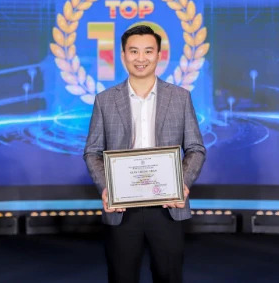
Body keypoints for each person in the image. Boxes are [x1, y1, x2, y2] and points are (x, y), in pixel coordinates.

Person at [84, 25, 206, 283]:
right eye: (134, 51)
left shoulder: (180, 97)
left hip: (167, 206)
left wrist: (182, 183)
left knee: (168, 276)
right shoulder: (105, 100)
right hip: (122, 207)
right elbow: (92, 151)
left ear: (159, 55)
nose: (141, 58)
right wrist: (106, 187)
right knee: (121, 276)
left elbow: (196, 148)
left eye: (148, 51)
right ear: (123, 55)